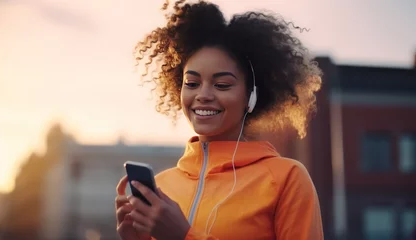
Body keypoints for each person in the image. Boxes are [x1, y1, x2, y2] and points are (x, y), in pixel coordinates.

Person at [115, 0, 323, 239]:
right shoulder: (162, 188)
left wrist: (183, 235)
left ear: (251, 96)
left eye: (222, 85)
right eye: (191, 84)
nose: (202, 95)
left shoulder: (286, 179)